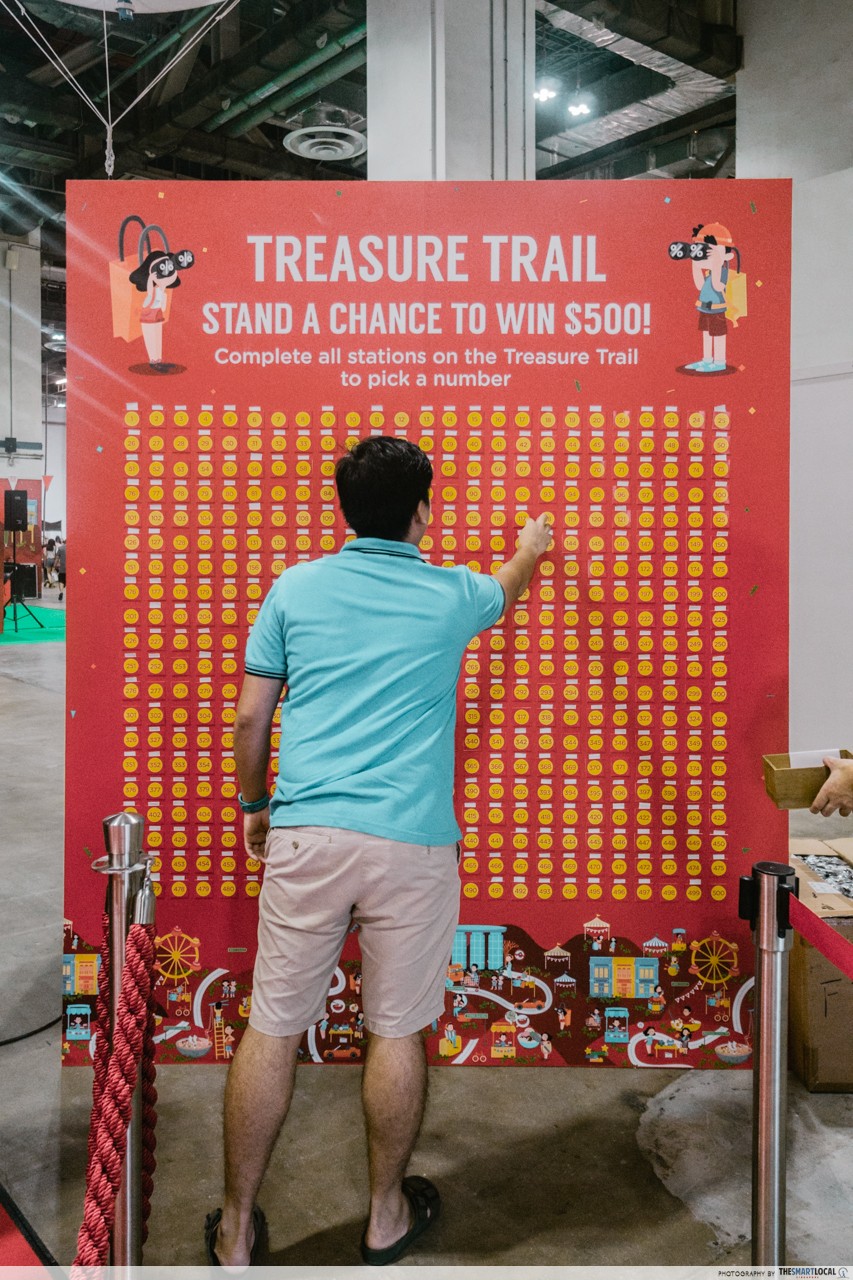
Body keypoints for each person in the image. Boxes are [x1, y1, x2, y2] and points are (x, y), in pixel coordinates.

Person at [206, 435, 552, 1269]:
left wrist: (254, 806)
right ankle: (385, 1218)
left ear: (346, 510)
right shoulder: (452, 594)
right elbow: (508, 582)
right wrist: (531, 546)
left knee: (272, 1028)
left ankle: (234, 1229)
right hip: (411, 844)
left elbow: (251, 717)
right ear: (422, 511)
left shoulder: (294, 587)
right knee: (395, 1032)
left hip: (307, 835)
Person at [56, 538, 66, 602]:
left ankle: (61, 592)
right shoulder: (74, 548)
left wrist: (55, 565)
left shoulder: (60, 548)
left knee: (61, 580)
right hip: (71, 568)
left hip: (62, 567)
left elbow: (57, 558)